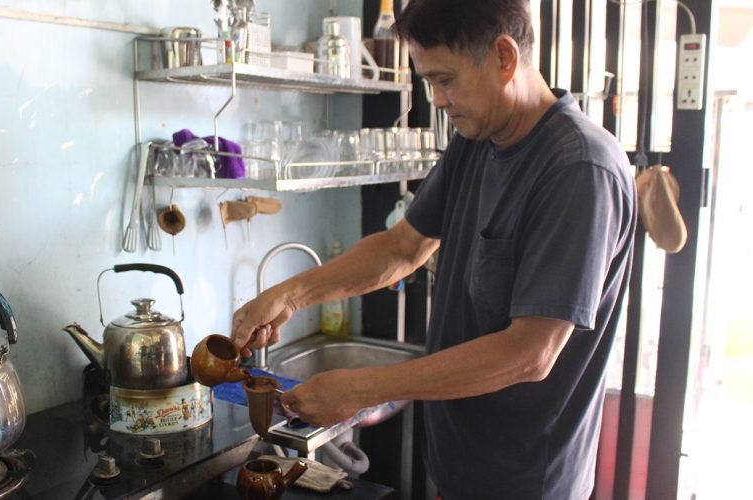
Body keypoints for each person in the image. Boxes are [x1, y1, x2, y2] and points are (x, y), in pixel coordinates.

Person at [231, 0, 636, 498]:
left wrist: (360, 389)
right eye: (428, 83)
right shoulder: (479, 138)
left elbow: (530, 353)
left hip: (525, 480)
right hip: (459, 463)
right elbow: (403, 247)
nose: (438, 99)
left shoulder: (578, 171)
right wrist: (290, 295)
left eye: (445, 79)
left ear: (505, 58)